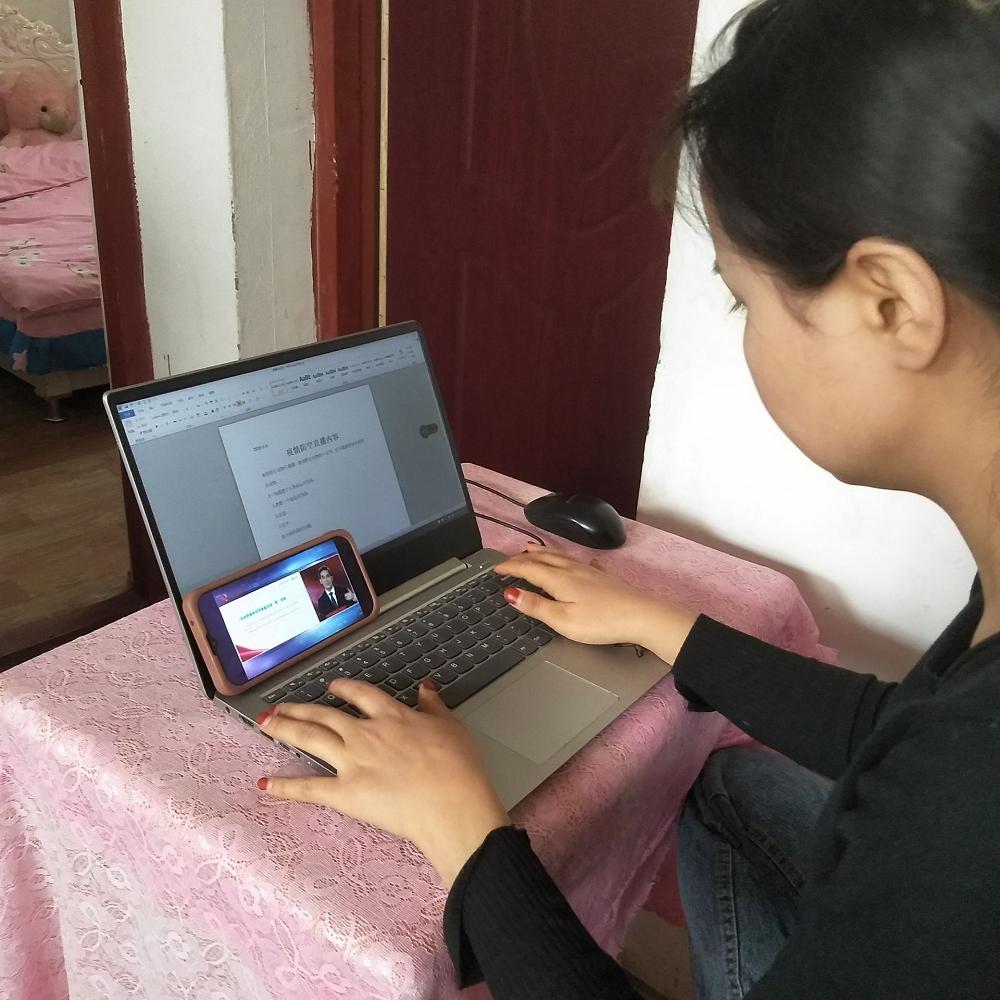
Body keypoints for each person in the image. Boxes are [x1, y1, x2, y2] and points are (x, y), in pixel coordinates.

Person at [251, 0, 1000, 996]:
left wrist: (461, 824)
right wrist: (659, 623)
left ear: (890, 304)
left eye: (742, 297)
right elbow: (897, 732)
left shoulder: (968, 801)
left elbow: (941, 775)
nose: (745, 334)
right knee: (724, 782)